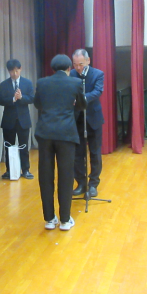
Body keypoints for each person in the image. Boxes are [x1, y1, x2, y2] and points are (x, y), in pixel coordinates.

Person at [33, 54, 86, 231]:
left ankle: (49, 219)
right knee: (66, 176)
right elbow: (82, 105)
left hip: (45, 134)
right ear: (69, 68)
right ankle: (64, 220)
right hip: (66, 134)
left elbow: (37, 104)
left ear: (53, 68)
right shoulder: (75, 83)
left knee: (45, 176)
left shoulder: (42, 82)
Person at [70, 49, 105, 198]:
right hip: (77, 119)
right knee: (77, 154)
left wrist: (81, 99)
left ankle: (93, 184)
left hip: (93, 119)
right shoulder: (71, 74)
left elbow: (97, 91)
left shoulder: (98, 74)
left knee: (95, 153)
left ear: (88, 61)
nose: (78, 68)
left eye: (81, 64)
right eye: (75, 64)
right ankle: (81, 183)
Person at [0, 59, 35, 179]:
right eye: (12, 71)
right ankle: (10, 170)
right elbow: (0, 100)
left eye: (17, 70)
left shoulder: (27, 83)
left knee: (24, 146)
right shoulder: (4, 84)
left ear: (20, 69)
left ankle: (26, 170)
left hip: (23, 120)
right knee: (9, 146)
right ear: (8, 71)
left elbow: (32, 98)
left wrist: (21, 97)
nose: (14, 73)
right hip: (9, 121)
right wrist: (13, 99)